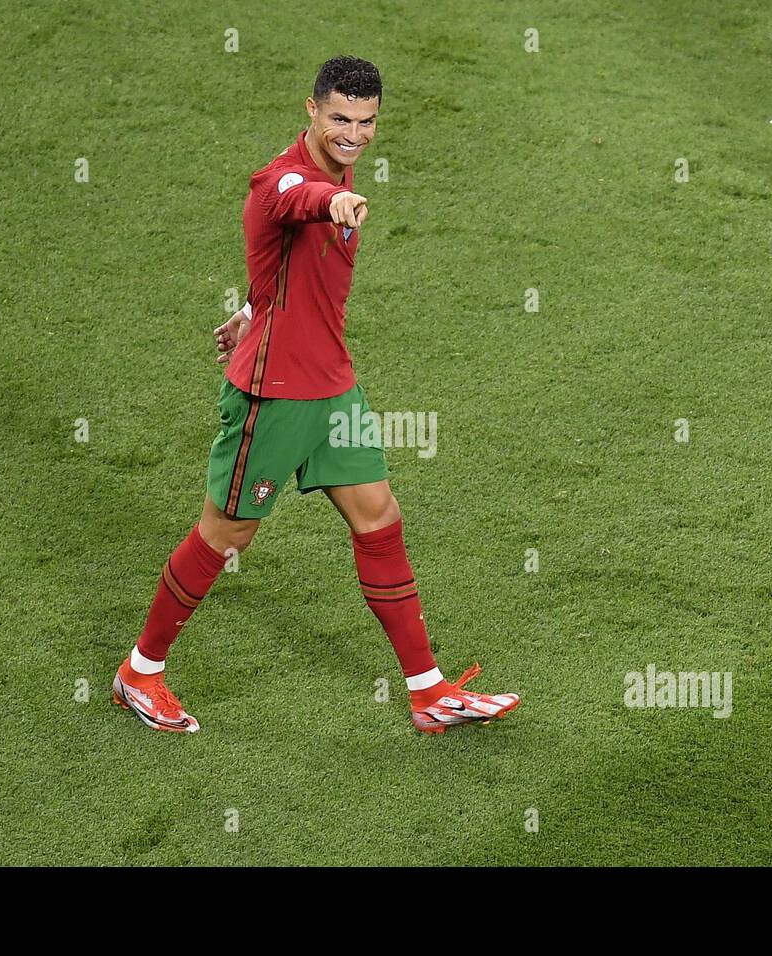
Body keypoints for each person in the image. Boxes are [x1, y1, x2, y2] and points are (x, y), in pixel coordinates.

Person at [112, 56, 521, 734]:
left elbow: (278, 258)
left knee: (379, 517)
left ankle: (428, 692)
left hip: (333, 386)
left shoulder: (340, 159)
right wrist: (334, 202)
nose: (354, 135)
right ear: (310, 109)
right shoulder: (291, 180)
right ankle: (140, 672)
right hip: (274, 397)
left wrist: (252, 308)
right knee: (227, 533)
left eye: (366, 123)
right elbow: (293, 200)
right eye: (339, 119)